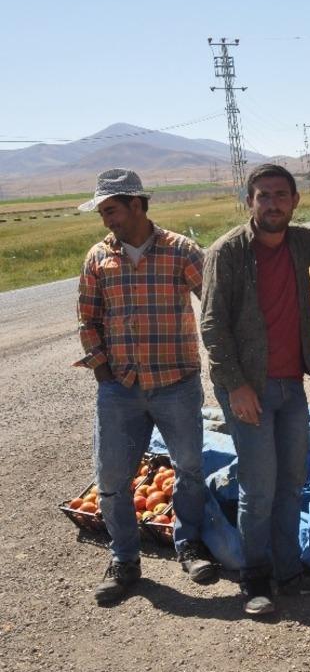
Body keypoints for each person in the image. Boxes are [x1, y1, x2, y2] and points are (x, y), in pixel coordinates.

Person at [200, 163, 310, 615]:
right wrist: (236, 387)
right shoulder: (227, 252)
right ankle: (256, 581)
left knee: (291, 484)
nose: (272, 203)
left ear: (294, 201)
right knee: (259, 489)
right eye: (263, 195)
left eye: (280, 195)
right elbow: (212, 327)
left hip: (291, 385)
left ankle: (289, 574)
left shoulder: (301, 242)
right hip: (250, 389)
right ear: (249, 202)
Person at [75, 168, 216, 605]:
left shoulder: (181, 251)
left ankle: (188, 545)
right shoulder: (98, 258)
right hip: (121, 389)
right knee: (112, 479)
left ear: (137, 205)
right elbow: (88, 318)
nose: (106, 220)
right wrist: (102, 369)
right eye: (102, 212)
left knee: (190, 467)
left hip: (176, 383)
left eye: (111, 210)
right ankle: (125, 561)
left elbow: (213, 303)